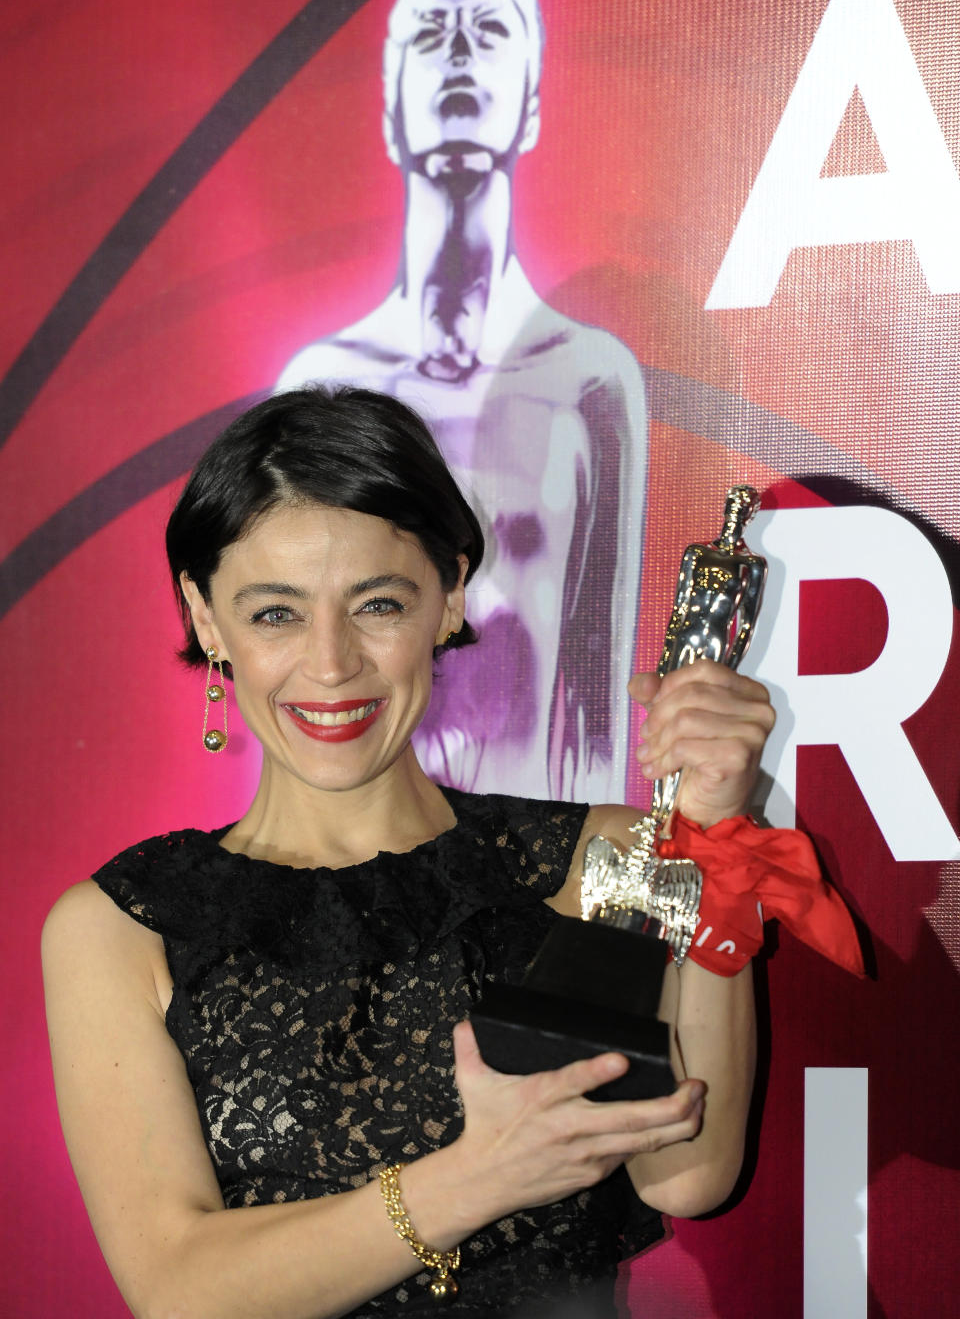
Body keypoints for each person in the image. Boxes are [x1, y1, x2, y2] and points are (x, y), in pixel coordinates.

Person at [43, 385, 773, 1319]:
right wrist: (474, 1180)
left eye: (378, 603)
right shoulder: (124, 927)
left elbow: (689, 1171)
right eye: (275, 613)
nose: (332, 662)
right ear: (205, 617)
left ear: (450, 595)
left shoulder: (598, 860)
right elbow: (180, 1289)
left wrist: (713, 825)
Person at [276, 0, 647, 806]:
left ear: (530, 104)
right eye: (432, 34)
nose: (458, 54)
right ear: (389, 110)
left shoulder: (592, 383)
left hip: (537, 871)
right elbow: (295, 677)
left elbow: (596, 702)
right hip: (362, 868)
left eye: (488, 31)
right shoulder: (319, 386)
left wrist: (593, 914)